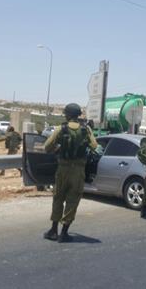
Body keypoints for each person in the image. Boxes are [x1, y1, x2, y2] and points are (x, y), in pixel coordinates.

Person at [43, 103, 98, 243]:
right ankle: (64, 233)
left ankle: (53, 230)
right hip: (78, 170)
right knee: (72, 200)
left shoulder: (61, 129)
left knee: (58, 198)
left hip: (63, 169)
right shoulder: (86, 129)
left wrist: (59, 147)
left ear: (68, 114)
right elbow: (94, 146)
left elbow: (47, 147)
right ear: (78, 114)